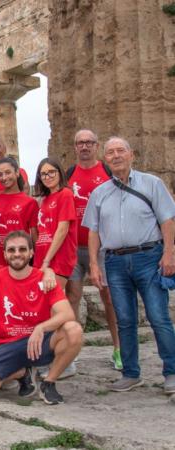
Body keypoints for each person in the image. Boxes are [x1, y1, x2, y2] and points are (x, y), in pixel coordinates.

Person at [84, 136, 175, 394]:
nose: (115, 156)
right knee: (124, 319)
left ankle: (172, 371)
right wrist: (94, 263)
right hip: (114, 260)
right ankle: (131, 373)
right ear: (105, 159)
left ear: (131, 154)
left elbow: (168, 220)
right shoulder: (99, 193)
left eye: (120, 151)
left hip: (149, 256)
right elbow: (94, 232)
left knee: (158, 317)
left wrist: (169, 254)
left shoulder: (152, 183)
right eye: (110, 152)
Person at [0, 231, 83, 405]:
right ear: (4, 254)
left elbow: (67, 314)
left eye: (22, 249)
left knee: (74, 330)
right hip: (8, 344)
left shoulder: (44, 279)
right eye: (11, 250)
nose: (17, 254)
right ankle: (21, 372)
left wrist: (41, 327)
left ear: (31, 252)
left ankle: (48, 383)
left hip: (39, 342)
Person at [65, 129, 121, 370]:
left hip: (102, 247)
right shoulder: (69, 174)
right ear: (75, 147)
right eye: (80, 143)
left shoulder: (107, 173)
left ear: (96, 146)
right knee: (73, 298)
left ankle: (119, 349)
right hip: (74, 247)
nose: (84, 147)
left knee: (109, 298)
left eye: (89, 142)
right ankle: (72, 350)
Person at [0, 157, 38, 266]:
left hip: (21, 258)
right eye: (0, 174)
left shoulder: (30, 202)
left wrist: (36, 260)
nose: (4, 177)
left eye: (8, 172)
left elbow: (34, 234)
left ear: (17, 173)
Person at [33, 158, 77, 290]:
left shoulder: (65, 194)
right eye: (43, 174)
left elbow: (62, 229)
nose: (47, 177)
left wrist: (47, 261)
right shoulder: (44, 200)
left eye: (51, 172)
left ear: (60, 173)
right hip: (42, 256)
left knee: (51, 298)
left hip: (58, 257)